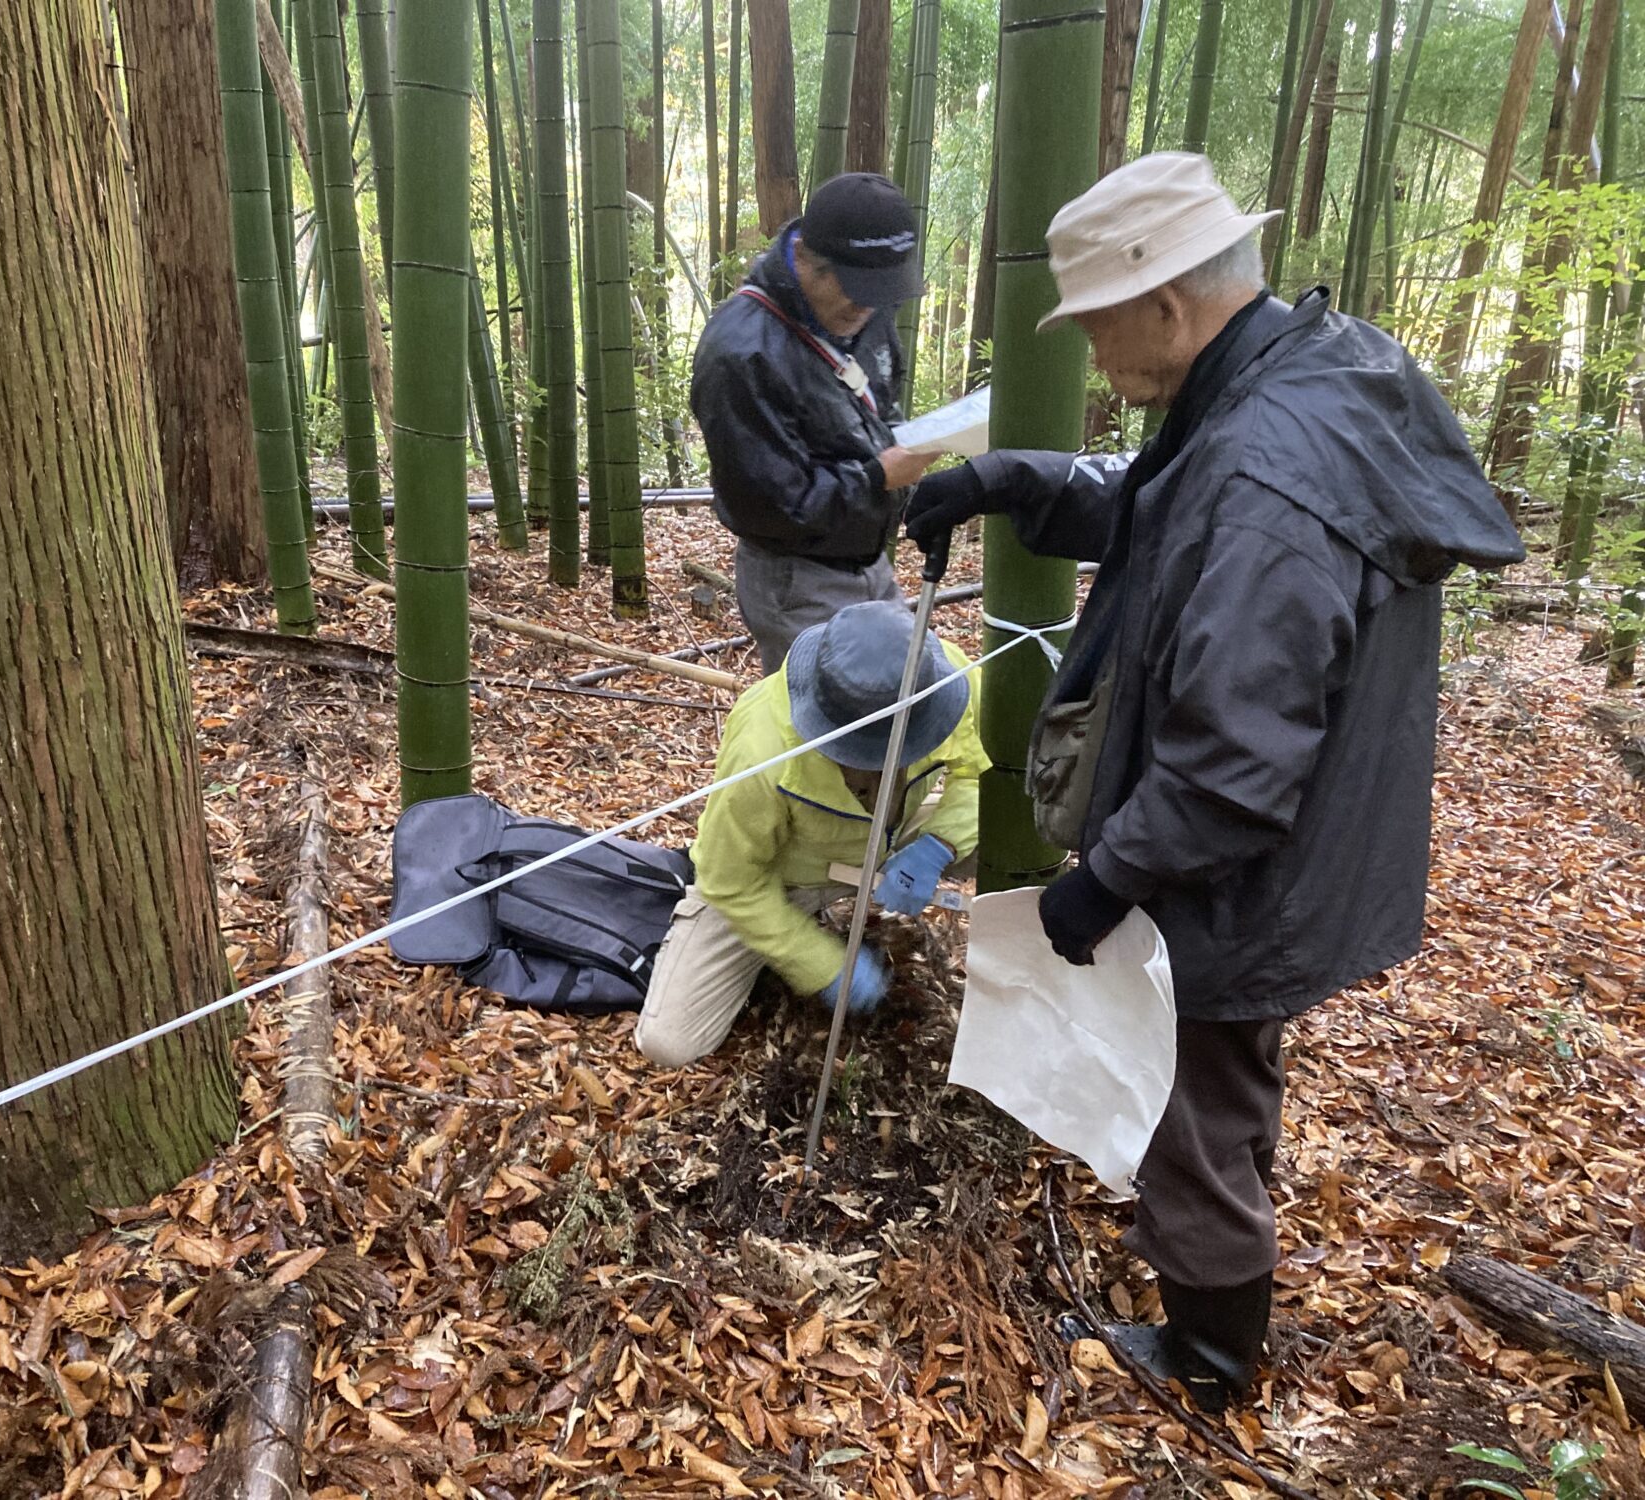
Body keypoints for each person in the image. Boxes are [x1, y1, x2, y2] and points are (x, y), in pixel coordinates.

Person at [904, 153, 1525, 1412]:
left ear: (1167, 305)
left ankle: (1209, 1353)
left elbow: (1235, 765)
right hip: (1291, 843)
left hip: (1243, 863)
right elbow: (1164, 502)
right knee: (1222, 1078)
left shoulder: (1265, 471)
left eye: (1093, 326)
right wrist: (1009, 481)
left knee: (1193, 1095)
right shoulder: (1305, 377)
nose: (1088, 353)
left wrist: (1106, 882)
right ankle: (1215, 1293)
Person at [633, 600, 985, 1067]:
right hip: (783, 878)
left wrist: (940, 844)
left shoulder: (943, 682)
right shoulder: (762, 749)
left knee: (1024, 831)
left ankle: (1023, 970)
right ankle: (771, 951)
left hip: (900, 840)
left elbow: (987, 773)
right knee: (667, 1043)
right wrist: (822, 964)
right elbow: (730, 881)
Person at [691, 173, 937, 673]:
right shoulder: (741, 353)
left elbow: (881, 395)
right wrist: (877, 477)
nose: (865, 307)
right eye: (853, 289)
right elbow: (771, 506)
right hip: (796, 578)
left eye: (880, 291)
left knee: (905, 699)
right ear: (803, 257)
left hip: (869, 560)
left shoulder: (865, 307)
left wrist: (908, 444)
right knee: (830, 735)